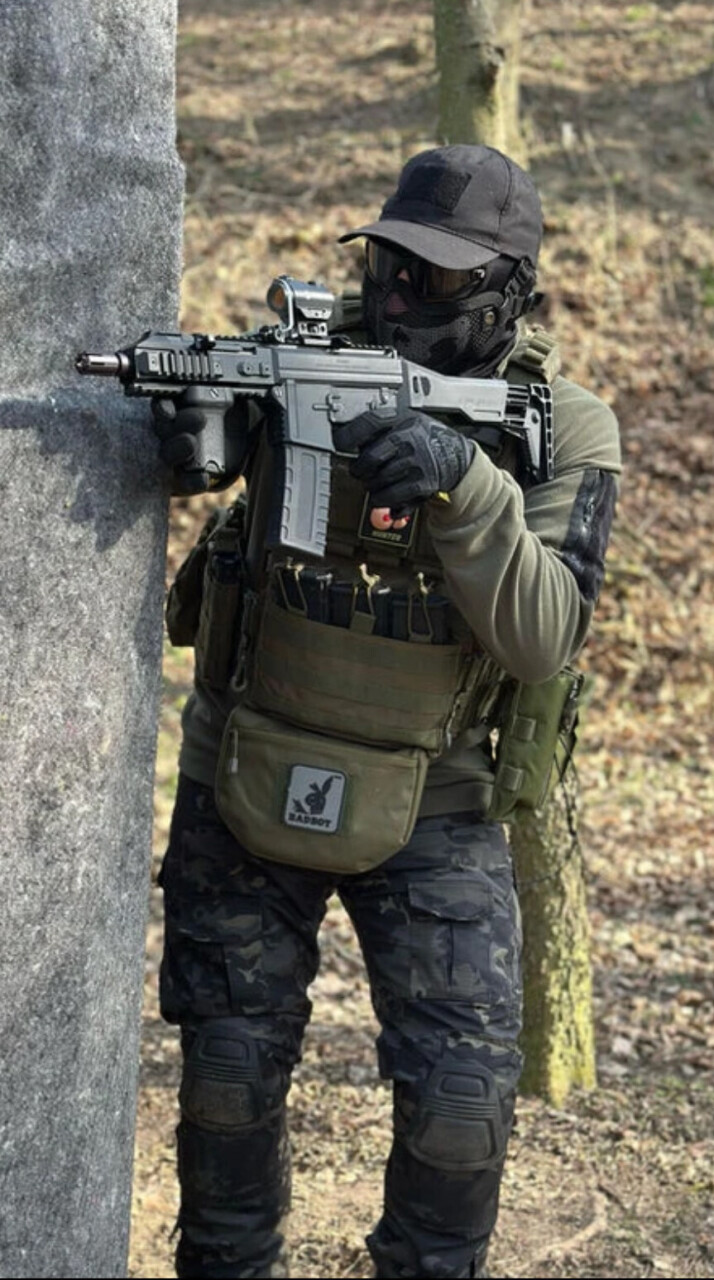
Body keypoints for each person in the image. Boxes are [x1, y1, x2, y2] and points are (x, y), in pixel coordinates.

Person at [153, 144, 621, 1279]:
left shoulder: (566, 425)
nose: (401, 295)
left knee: (461, 1103)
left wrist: (465, 487)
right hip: (248, 765)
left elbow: (544, 636)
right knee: (226, 1078)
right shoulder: (306, 363)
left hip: (440, 801)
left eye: (438, 276)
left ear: (508, 292)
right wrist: (198, 423)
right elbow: (185, 470)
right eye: (388, 265)